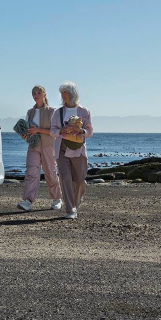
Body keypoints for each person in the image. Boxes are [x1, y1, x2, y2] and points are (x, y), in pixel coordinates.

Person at [50, 82, 94, 219]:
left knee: (80, 180)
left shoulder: (84, 111)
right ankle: (70, 209)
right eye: (62, 93)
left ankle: (76, 203)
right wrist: (61, 130)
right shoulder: (58, 112)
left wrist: (80, 130)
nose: (63, 96)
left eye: (66, 93)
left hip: (78, 149)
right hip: (61, 148)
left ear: (73, 94)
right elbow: (52, 131)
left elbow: (89, 131)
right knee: (65, 179)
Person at [18, 86, 62, 212]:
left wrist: (38, 130)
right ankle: (28, 201)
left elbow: (55, 131)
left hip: (48, 145)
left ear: (44, 94)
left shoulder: (52, 112)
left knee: (50, 172)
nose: (36, 95)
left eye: (38, 93)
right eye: (34, 93)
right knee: (31, 172)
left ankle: (57, 199)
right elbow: (26, 130)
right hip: (33, 145)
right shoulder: (30, 112)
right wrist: (25, 134)